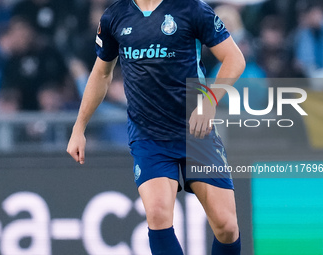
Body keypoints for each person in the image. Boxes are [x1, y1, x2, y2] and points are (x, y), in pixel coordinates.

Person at [67, 0, 245, 254]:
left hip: (196, 133)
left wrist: (209, 101)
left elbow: (234, 59)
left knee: (226, 226)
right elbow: (101, 74)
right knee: (159, 215)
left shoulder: (192, 9)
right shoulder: (114, 17)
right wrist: (79, 127)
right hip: (148, 136)